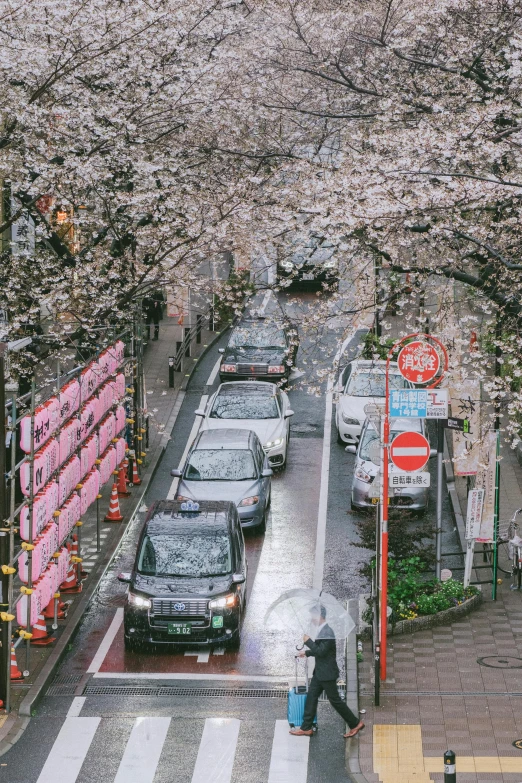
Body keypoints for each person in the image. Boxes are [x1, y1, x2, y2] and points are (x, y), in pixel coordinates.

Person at [289, 605, 364, 739]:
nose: (311, 619)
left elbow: (321, 651)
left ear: (319, 616)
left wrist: (308, 642)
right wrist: (306, 653)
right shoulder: (322, 630)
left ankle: (355, 723)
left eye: (313, 616)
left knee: (335, 701)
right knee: (311, 696)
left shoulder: (327, 632)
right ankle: (306, 728)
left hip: (327, 673)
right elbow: (320, 649)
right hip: (320, 672)